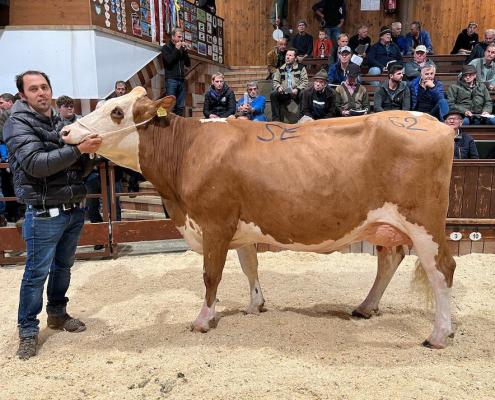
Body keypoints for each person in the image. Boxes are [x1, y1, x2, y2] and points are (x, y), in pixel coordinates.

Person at [4, 70, 101, 360]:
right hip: (44, 212)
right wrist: (78, 151)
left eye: (44, 87)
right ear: (23, 95)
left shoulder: (61, 122)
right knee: (36, 274)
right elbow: (35, 164)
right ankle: (28, 331)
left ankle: (57, 314)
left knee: (63, 268)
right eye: (33, 89)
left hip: (72, 209)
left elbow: (75, 169)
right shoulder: (16, 123)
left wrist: (89, 156)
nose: (41, 93)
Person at [0, 93, 22, 224]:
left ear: (10, 102)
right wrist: (5, 157)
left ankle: (20, 211)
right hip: (8, 154)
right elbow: (3, 138)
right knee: (8, 186)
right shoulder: (6, 115)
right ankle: (12, 213)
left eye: (2, 102)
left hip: (23, 154)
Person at [270, 48, 309, 122]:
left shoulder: (301, 68)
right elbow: (275, 81)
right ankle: (276, 119)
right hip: (284, 92)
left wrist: (297, 89)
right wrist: (278, 87)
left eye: (290, 55)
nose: (287, 57)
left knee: (304, 93)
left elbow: (305, 82)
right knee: (273, 94)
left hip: (296, 92)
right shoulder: (280, 69)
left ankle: (301, 118)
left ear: (295, 58)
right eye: (287, 55)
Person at [161, 27, 191, 117]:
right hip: (171, 80)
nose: (181, 39)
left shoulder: (181, 49)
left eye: (181, 37)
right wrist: (176, 50)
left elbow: (188, 64)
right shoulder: (166, 48)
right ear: (173, 37)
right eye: (178, 37)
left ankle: (178, 124)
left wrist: (185, 52)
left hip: (181, 80)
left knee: (180, 106)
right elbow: (169, 61)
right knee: (171, 105)